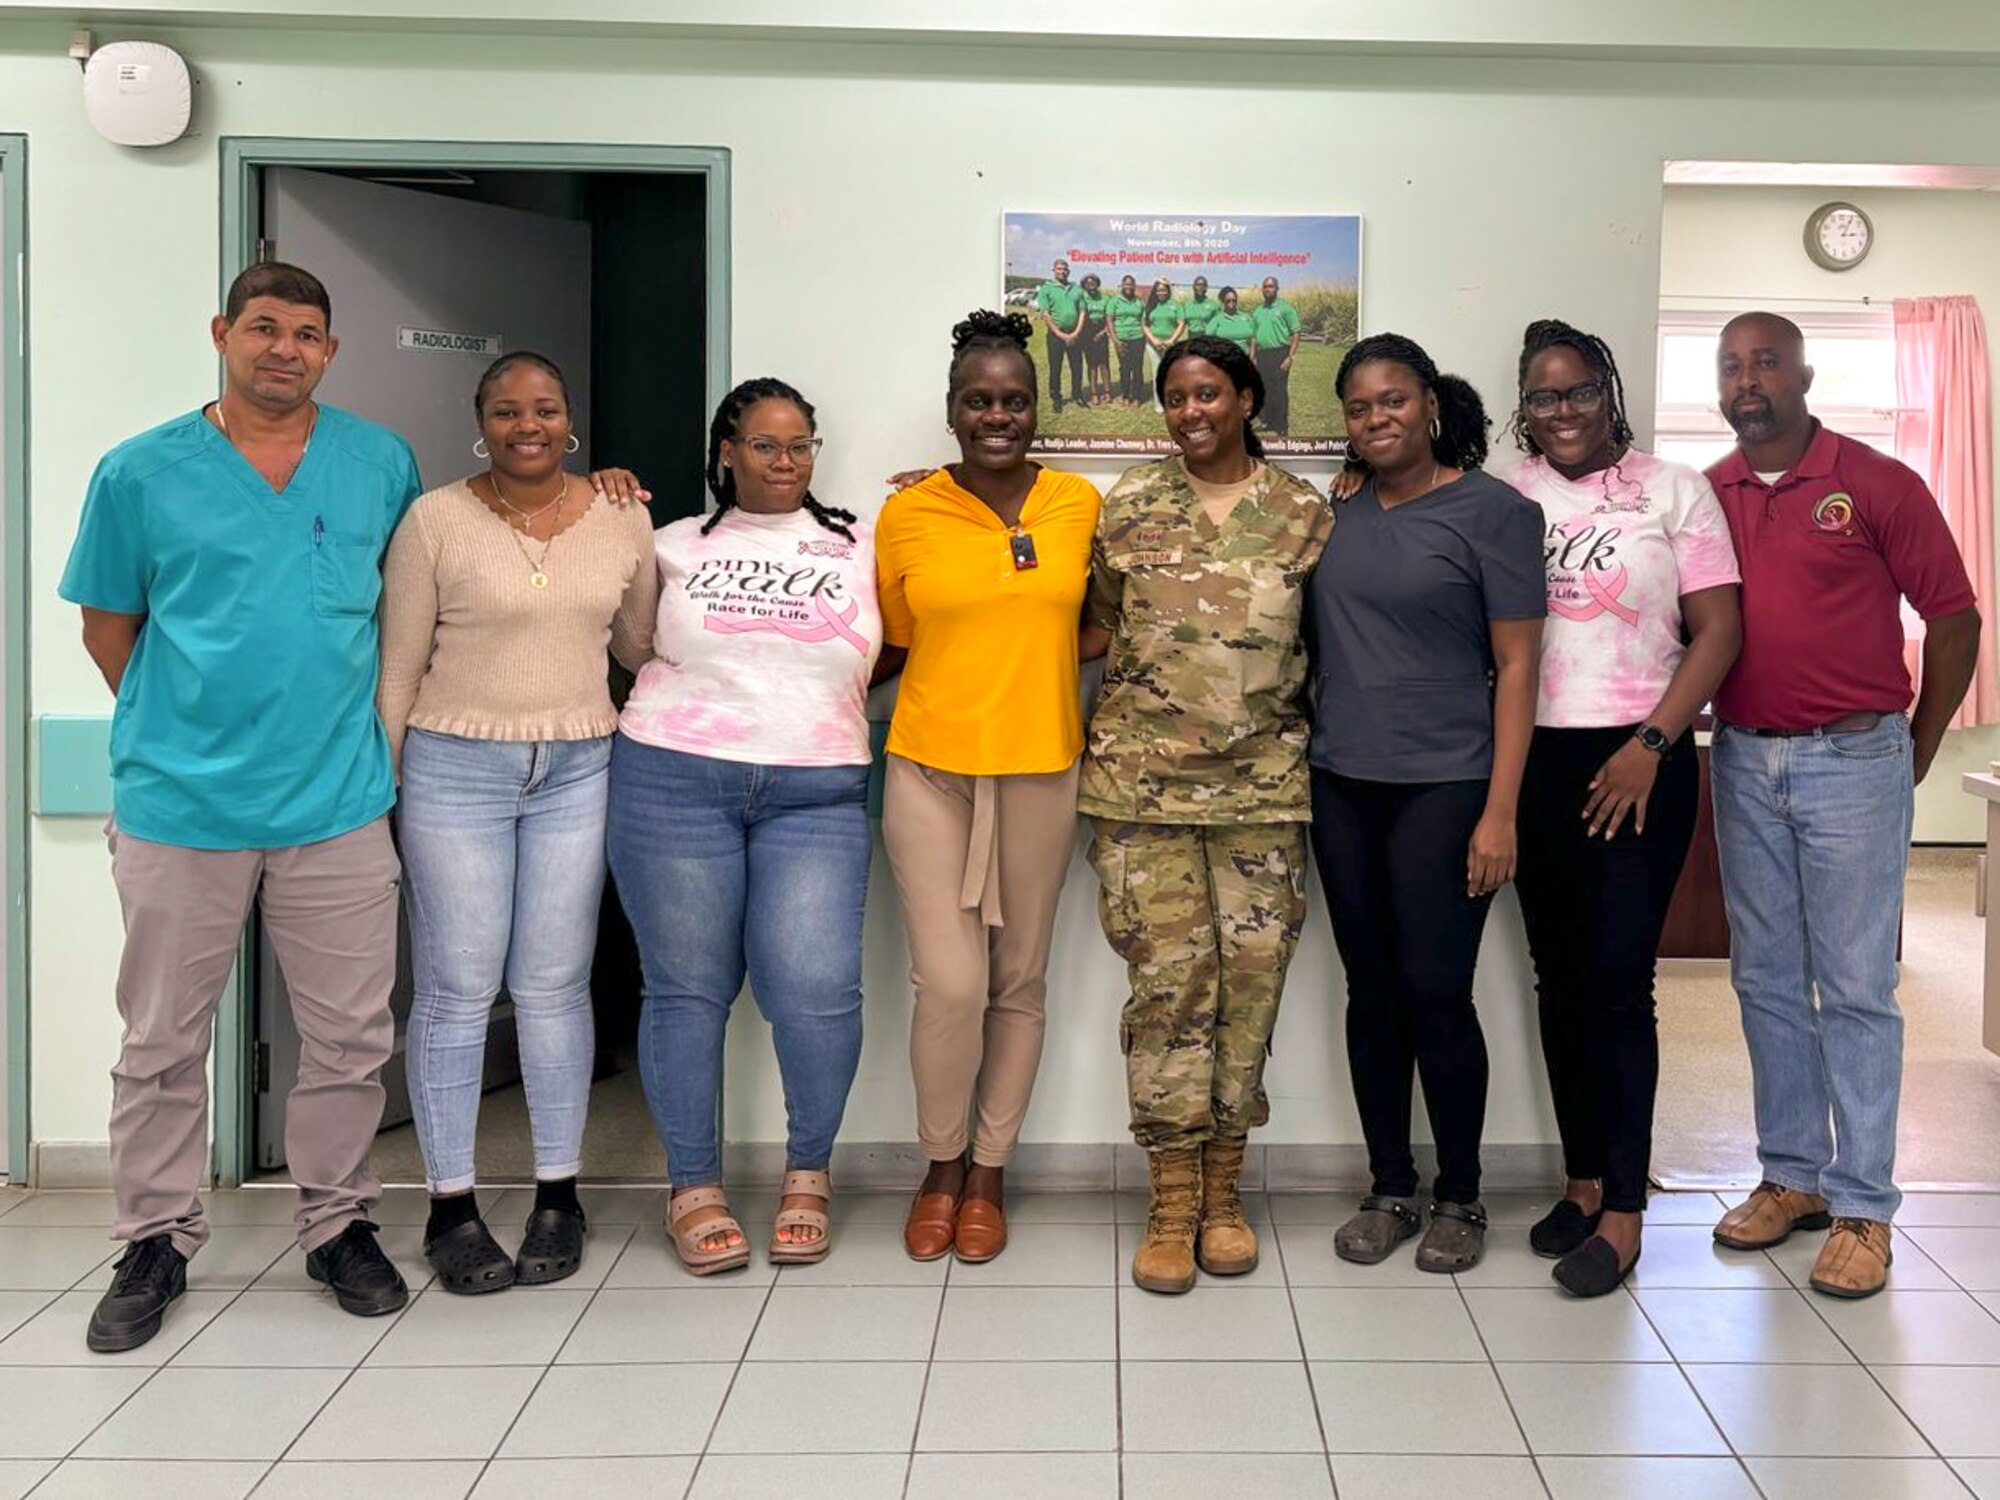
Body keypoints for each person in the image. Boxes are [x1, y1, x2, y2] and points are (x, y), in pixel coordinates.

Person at [60, 262, 419, 1350]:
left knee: (350, 1037)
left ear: (330, 352)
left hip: (338, 800)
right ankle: (156, 1237)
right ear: (222, 332)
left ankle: (335, 1224)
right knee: (163, 1040)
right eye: (263, 327)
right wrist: (194, 728)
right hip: (181, 806)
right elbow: (107, 626)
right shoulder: (139, 472)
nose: (284, 348)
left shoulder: (377, 463)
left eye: (307, 333)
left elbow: (411, 606)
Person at [1705, 312, 1979, 1299]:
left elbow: (1953, 616)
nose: (1748, 380)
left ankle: (1862, 1204)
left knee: (1855, 988)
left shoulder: (1873, 483)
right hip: (1741, 760)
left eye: (1765, 361)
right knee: (1766, 979)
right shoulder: (1712, 493)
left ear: (1802, 372)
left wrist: (1917, 746)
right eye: (1731, 364)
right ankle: (1790, 1178)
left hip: (1851, 759)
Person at [375, 351, 658, 1293]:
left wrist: (639, 527)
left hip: (581, 764)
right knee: (457, 988)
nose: (524, 425)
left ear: (569, 420)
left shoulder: (621, 514)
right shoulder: (434, 521)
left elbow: (641, 647)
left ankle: (557, 1195)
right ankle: (449, 1206)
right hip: (454, 767)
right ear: (482, 422)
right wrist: (385, 791)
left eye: (542, 409)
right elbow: (398, 670)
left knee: (552, 984)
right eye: (505, 411)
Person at [608, 378, 882, 1275]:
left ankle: (809, 1174)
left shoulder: (863, 544)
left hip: (817, 790)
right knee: (687, 992)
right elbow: (633, 648)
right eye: (765, 445)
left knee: (814, 990)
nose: (786, 461)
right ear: (727, 452)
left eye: (800, 444)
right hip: (672, 781)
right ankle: (693, 1187)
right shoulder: (671, 545)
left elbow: (898, 641)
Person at [1495, 321, 1743, 1296]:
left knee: (1614, 982)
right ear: (1525, 408)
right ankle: (1582, 1181)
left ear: (1609, 395)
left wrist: (1651, 743)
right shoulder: (1506, 495)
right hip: (1534, 756)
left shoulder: (1674, 489)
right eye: (1542, 396)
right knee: (1553, 979)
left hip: (1640, 757)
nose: (1561, 411)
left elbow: (1716, 632)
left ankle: (1627, 1215)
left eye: (1577, 392)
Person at [1084, 335, 1333, 1295]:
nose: (1192, 411)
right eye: (1176, 397)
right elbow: (1102, 623)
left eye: (1209, 394)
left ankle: (1226, 1189)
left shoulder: (1304, 514)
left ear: (1246, 400)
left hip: (1265, 790)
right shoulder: (1131, 505)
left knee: (1252, 989)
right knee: (1167, 990)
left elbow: (1327, 640)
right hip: (1140, 792)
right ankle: (1172, 1197)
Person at [1310, 334, 1545, 1274]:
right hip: (1341, 783)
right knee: (1372, 994)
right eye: (1360, 408)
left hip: (1449, 786)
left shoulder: (1496, 513)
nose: (1377, 419)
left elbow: (1520, 665)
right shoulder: (1339, 511)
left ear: (1432, 403)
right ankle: (1390, 1186)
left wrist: (1501, 813)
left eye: (1393, 401)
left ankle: (1461, 1196)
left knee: (1437, 993)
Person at [877, 311, 1099, 1264]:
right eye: (980, 400)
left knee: (1019, 982)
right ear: (954, 409)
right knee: (951, 984)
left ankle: (991, 1173)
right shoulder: (908, 512)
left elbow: (1105, 623)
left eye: (1014, 400)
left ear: (1037, 408)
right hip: (929, 770)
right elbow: (887, 641)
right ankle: (939, 1164)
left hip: (1043, 769)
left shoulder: (1080, 503)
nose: (997, 415)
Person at [1034, 258, 1088, 414]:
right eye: (1059, 269)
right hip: (1055, 336)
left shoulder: (1076, 289)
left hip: (1075, 335)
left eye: (1065, 269)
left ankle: (1077, 395)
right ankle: (1056, 398)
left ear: (1068, 271)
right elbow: (1045, 313)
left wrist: (1076, 333)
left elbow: (1083, 311)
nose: (1062, 271)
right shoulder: (1046, 289)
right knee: (1055, 368)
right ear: (1053, 270)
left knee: (1077, 367)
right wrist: (1060, 334)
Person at [1250, 276, 1303, 434]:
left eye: (1271, 286)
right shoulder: (1258, 311)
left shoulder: (1285, 308)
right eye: (1265, 286)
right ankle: (1267, 422)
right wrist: (1252, 356)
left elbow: (1296, 332)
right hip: (1262, 354)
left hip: (1280, 353)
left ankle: (1281, 425)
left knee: (1279, 390)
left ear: (1277, 289)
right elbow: (1253, 336)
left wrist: (1290, 356)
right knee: (1264, 389)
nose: (1268, 289)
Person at [1142, 277, 1186, 412]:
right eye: (1158, 290)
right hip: (1153, 346)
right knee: (1157, 375)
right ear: (1155, 291)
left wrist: (1172, 340)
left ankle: (1173, 402)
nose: (1161, 292)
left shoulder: (1176, 305)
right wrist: (1154, 340)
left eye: (1164, 290)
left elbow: (1181, 323)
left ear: (1168, 291)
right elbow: (1144, 325)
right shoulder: (1150, 306)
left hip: (1171, 345)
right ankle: (1159, 404)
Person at [1108, 275, 1148, 406]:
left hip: (1138, 338)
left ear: (1134, 286)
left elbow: (1143, 320)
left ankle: (1137, 396)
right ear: (1122, 285)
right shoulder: (1115, 301)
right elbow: (1109, 320)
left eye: (1131, 284)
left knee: (1137, 367)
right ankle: (1125, 395)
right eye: (1126, 284)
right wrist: (1115, 340)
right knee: (1124, 368)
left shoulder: (1139, 302)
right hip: (1121, 339)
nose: (1128, 287)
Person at [1079, 272, 1114, 408]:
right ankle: (1094, 393)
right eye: (1088, 283)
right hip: (1087, 334)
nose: (1091, 285)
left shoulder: (1105, 298)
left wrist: (1103, 332)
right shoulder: (1082, 298)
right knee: (1092, 365)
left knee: (1104, 364)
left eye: (1093, 282)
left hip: (1102, 332)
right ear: (1084, 285)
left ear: (1097, 284)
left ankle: (1107, 391)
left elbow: (1110, 318)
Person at [1206, 286, 1256, 354]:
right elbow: (1208, 343)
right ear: (1222, 301)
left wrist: (1252, 358)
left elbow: (1253, 339)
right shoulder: (1216, 320)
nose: (1231, 303)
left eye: (1234, 300)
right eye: (1228, 301)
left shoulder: (1247, 318)